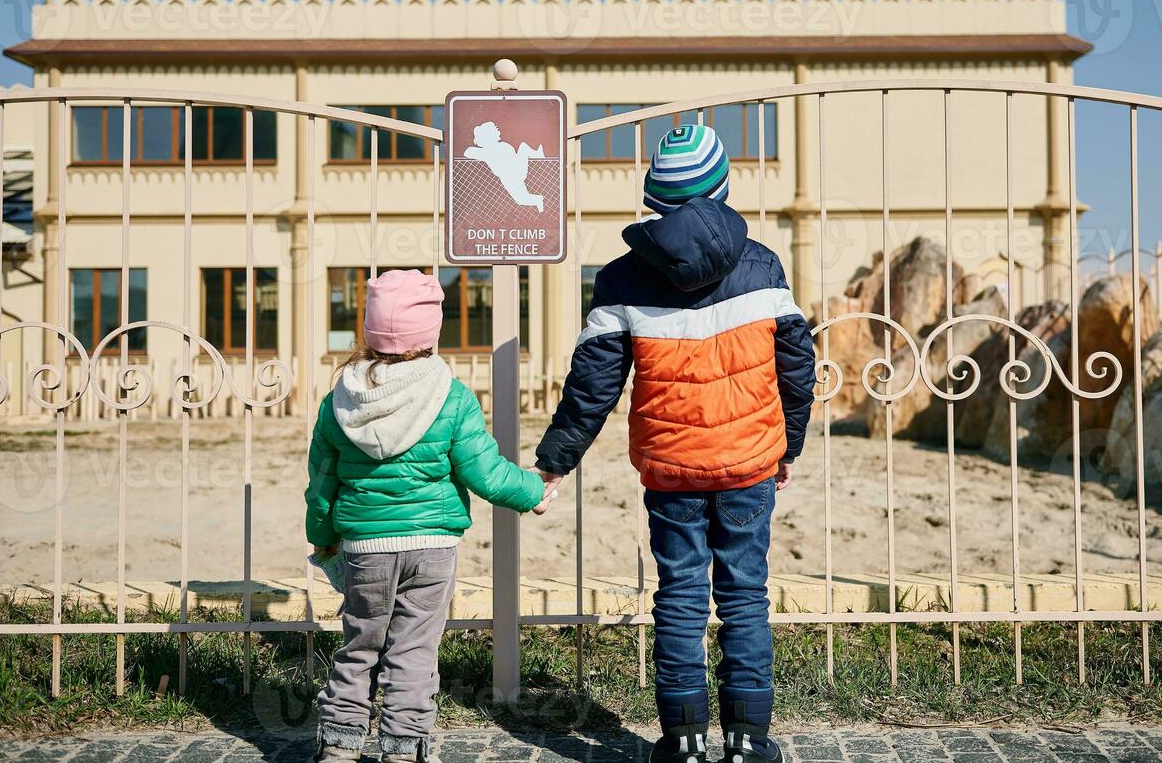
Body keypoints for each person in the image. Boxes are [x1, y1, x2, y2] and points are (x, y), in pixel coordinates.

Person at [535, 124, 816, 763]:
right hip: (749, 461)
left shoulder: (620, 281)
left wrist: (555, 461)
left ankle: (683, 741)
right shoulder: (762, 264)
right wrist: (786, 447)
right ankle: (747, 742)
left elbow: (593, 383)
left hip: (671, 471)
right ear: (721, 191)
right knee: (744, 596)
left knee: (681, 597)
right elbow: (796, 364)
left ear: (654, 202)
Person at [305, 269, 551, 763]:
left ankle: (339, 745)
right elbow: (484, 471)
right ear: (430, 332)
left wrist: (323, 538)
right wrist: (532, 491)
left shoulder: (339, 401)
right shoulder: (450, 396)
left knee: (359, 643)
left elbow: (322, 486)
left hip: (364, 548)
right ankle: (403, 747)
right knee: (414, 648)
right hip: (431, 546)